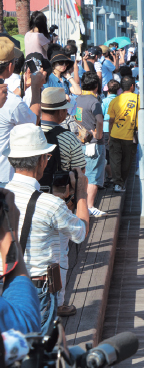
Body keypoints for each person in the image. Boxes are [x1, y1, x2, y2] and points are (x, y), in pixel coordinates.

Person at [7, 124, 86, 328]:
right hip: (38, 288)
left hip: (5, 285)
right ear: (42, 160)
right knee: (37, 347)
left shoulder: (3, 196)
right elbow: (80, 232)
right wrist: (82, 195)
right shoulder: (50, 204)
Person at [37, 88, 88, 235]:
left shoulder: (31, 133)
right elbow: (80, 173)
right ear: (60, 112)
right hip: (60, 202)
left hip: (30, 199)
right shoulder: (69, 138)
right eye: (65, 110)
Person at [0, 37, 35, 185]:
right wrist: (37, 89)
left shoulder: (11, 99)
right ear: (10, 66)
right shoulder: (12, 101)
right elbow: (34, 122)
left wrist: (23, 88)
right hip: (4, 176)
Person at [73, 73, 105, 218]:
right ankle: (90, 206)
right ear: (96, 86)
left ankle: (81, 205)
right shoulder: (94, 101)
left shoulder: (77, 99)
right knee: (93, 176)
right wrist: (99, 134)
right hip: (93, 143)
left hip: (80, 142)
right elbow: (99, 119)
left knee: (83, 174)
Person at [105, 76, 139, 193]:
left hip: (115, 134)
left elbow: (111, 120)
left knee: (115, 160)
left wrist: (109, 136)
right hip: (130, 135)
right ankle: (121, 182)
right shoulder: (138, 99)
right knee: (127, 160)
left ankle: (117, 183)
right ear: (132, 86)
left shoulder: (115, 101)